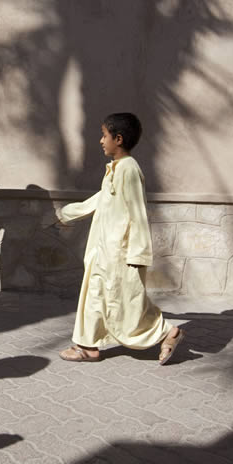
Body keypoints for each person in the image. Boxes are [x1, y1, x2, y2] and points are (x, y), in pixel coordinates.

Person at [55, 113, 184, 364]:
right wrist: (67, 214)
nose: (101, 140)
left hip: (120, 253)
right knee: (94, 294)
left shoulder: (129, 170)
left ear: (119, 138)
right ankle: (88, 347)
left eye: (104, 135)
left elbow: (137, 212)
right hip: (103, 249)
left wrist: (138, 252)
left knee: (126, 304)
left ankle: (168, 331)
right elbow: (101, 199)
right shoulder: (115, 168)